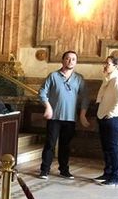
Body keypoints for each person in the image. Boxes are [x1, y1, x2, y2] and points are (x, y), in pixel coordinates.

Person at [38, 50, 90, 179]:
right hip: (54, 117)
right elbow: (42, 92)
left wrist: (82, 115)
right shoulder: (53, 76)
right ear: (62, 60)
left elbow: (85, 98)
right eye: (67, 58)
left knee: (65, 146)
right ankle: (44, 170)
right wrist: (48, 107)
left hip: (70, 118)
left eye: (73, 59)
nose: (70, 61)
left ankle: (64, 170)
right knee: (50, 144)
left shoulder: (79, 78)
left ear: (76, 62)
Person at [92, 55, 118, 187]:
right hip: (104, 117)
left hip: (114, 119)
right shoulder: (108, 79)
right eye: (105, 63)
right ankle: (107, 173)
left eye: (108, 64)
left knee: (113, 149)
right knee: (106, 148)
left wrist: (111, 114)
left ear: (116, 66)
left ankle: (115, 177)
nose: (105, 66)